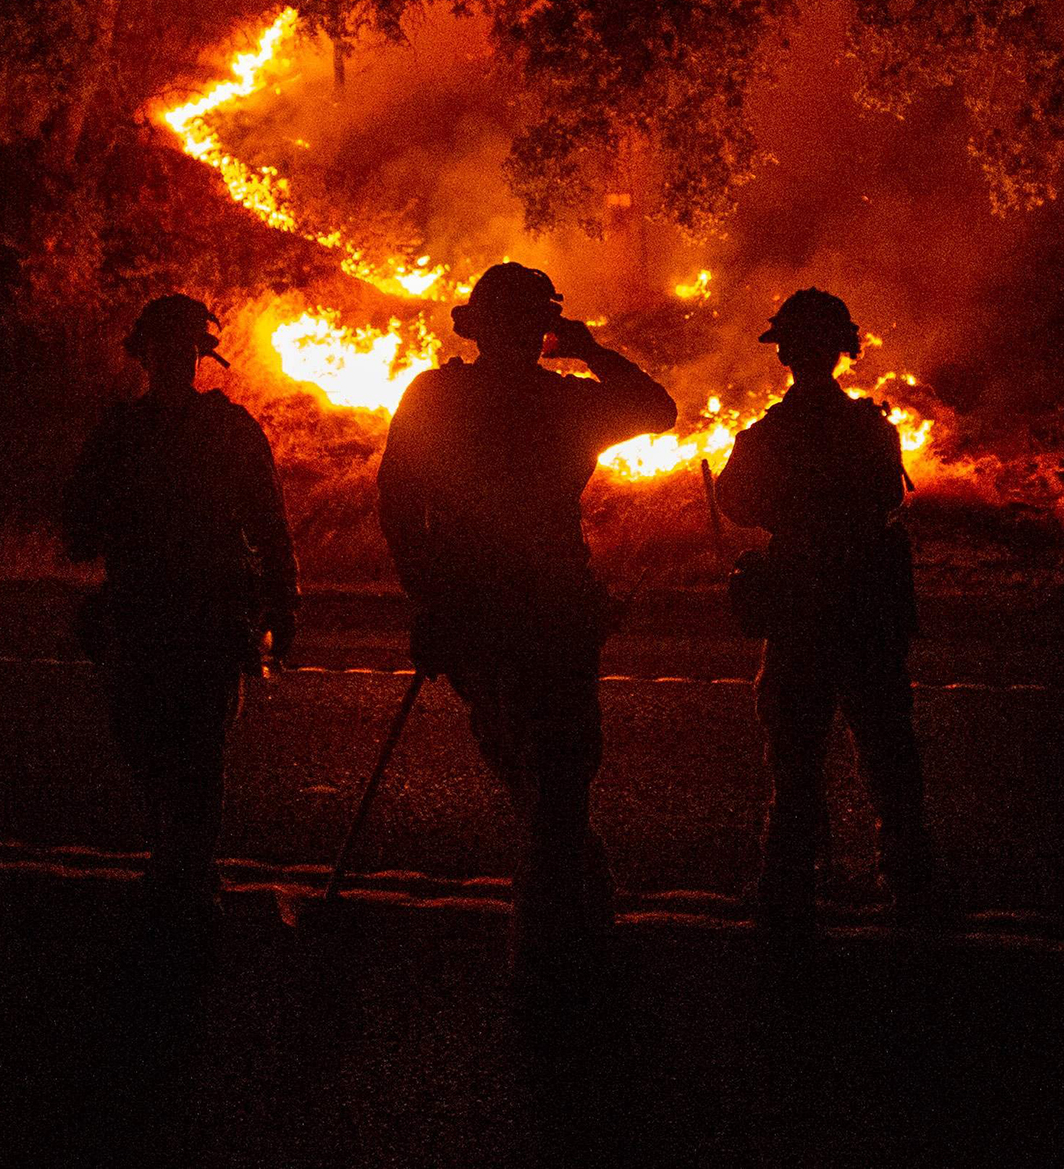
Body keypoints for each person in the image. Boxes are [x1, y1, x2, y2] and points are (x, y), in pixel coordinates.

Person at [374, 262, 676, 986]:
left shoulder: (436, 396)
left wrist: (429, 596)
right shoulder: (564, 403)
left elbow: (396, 502)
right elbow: (657, 410)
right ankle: (558, 940)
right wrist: (588, 348)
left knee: (532, 771)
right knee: (559, 773)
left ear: (477, 328)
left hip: (480, 613)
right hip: (549, 611)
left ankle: (560, 931)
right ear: (540, 330)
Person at [62, 293, 298, 950]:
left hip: (206, 617)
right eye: (162, 347)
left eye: (183, 347)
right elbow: (78, 528)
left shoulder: (230, 431)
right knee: (146, 746)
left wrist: (284, 605)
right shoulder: (120, 432)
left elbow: (269, 526)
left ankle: (187, 880)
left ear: (198, 356)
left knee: (198, 754)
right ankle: (176, 864)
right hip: (140, 615)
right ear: (146, 355)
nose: (173, 357)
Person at [712, 289, 938, 928]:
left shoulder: (769, 434)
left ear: (784, 353)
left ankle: (787, 888)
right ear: (845, 351)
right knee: (889, 751)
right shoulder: (873, 427)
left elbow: (739, 506)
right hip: (868, 611)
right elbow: (886, 501)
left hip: (802, 616)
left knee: (795, 760)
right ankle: (911, 884)